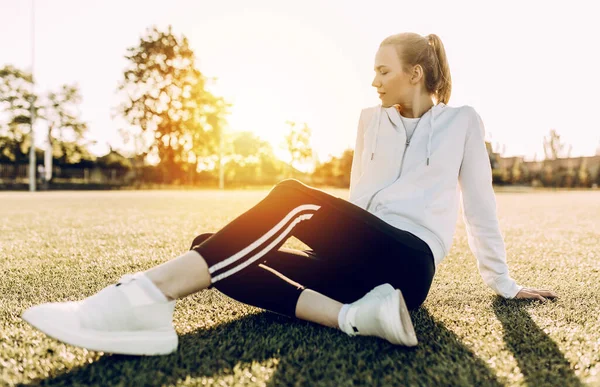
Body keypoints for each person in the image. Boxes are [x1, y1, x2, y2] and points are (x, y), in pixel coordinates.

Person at [22, 32, 558, 356]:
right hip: (359, 269)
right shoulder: (371, 121)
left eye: (383, 70)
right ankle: (354, 318)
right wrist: (383, 133)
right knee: (213, 245)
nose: (373, 80)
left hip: (410, 262)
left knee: (292, 197)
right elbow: (361, 201)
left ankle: (141, 296)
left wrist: (504, 284)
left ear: (414, 73)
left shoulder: (463, 120)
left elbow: (480, 205)